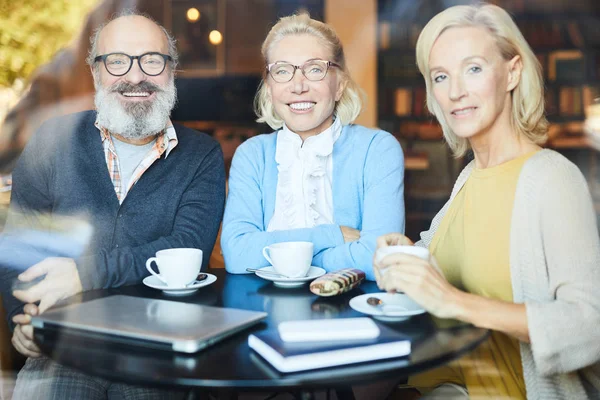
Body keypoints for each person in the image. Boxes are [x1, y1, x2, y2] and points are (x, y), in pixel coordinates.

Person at [374, 4, 600, 400]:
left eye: (473, 68)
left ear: (512, 72)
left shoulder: (552, 177)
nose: (455, 91)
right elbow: (449, 260)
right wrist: (406, 254)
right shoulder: (469, 177)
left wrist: (455, 302)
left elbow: (589, 325)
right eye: (441, 76)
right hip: (427, 383)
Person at [1, 10, 225, 399]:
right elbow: (20, 250)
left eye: (152, 60)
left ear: (171, 71)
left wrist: (84, 273)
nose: (135, 76)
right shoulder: (52, 139)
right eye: (117, 61)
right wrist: (22, 323)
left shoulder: (201, 154)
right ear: (95, 73)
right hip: (65, 347)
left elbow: (187, 248)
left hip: (158, 347)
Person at [221, 13, 405, 279]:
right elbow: (237, 255)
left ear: (339, 85)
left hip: (351, 310)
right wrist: (332, 236)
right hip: (263, 308)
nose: (298, 86)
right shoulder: (252, 155)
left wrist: (281, 257)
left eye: (315, 69)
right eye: (282, 71)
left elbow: (377, 256)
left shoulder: (377, 149)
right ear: (270, 87)